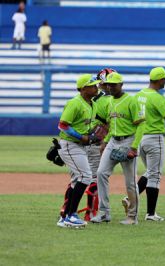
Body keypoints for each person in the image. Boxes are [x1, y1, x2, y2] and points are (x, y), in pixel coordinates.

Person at [122, 67, 165, 222]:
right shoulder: (157, 97)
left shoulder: (138, 95)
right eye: (164, 79)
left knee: (150, 172)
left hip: (139, 138)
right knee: (155, 175)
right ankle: (151, 214)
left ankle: (131, 198)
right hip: (154, 137)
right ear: (159, 80)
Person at [90, 72, 141, 225]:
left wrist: (134, 146)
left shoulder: (131, 101)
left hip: (128, 140)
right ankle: (104, 213)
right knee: (101, 173)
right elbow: (111, 125)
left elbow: (141, 124)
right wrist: (105, 141)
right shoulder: (110, 101)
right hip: (113, 140)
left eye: (113, 84)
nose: (110, 87)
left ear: (121, 85)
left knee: (130, 182)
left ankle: (132, 217)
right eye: (108, 85)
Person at [56, 74, 101, 228]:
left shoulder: (92, 104)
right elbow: (63, 125)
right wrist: (81, 137)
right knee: (85, 176)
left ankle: (65, 217)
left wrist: (93, 135)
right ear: (83, 89)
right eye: (93, 85)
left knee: (78, 179)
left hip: (79, 146)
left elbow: (89, 126)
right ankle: (71, 215)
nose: (96, 87)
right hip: (70, 144)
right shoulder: (74, 103)